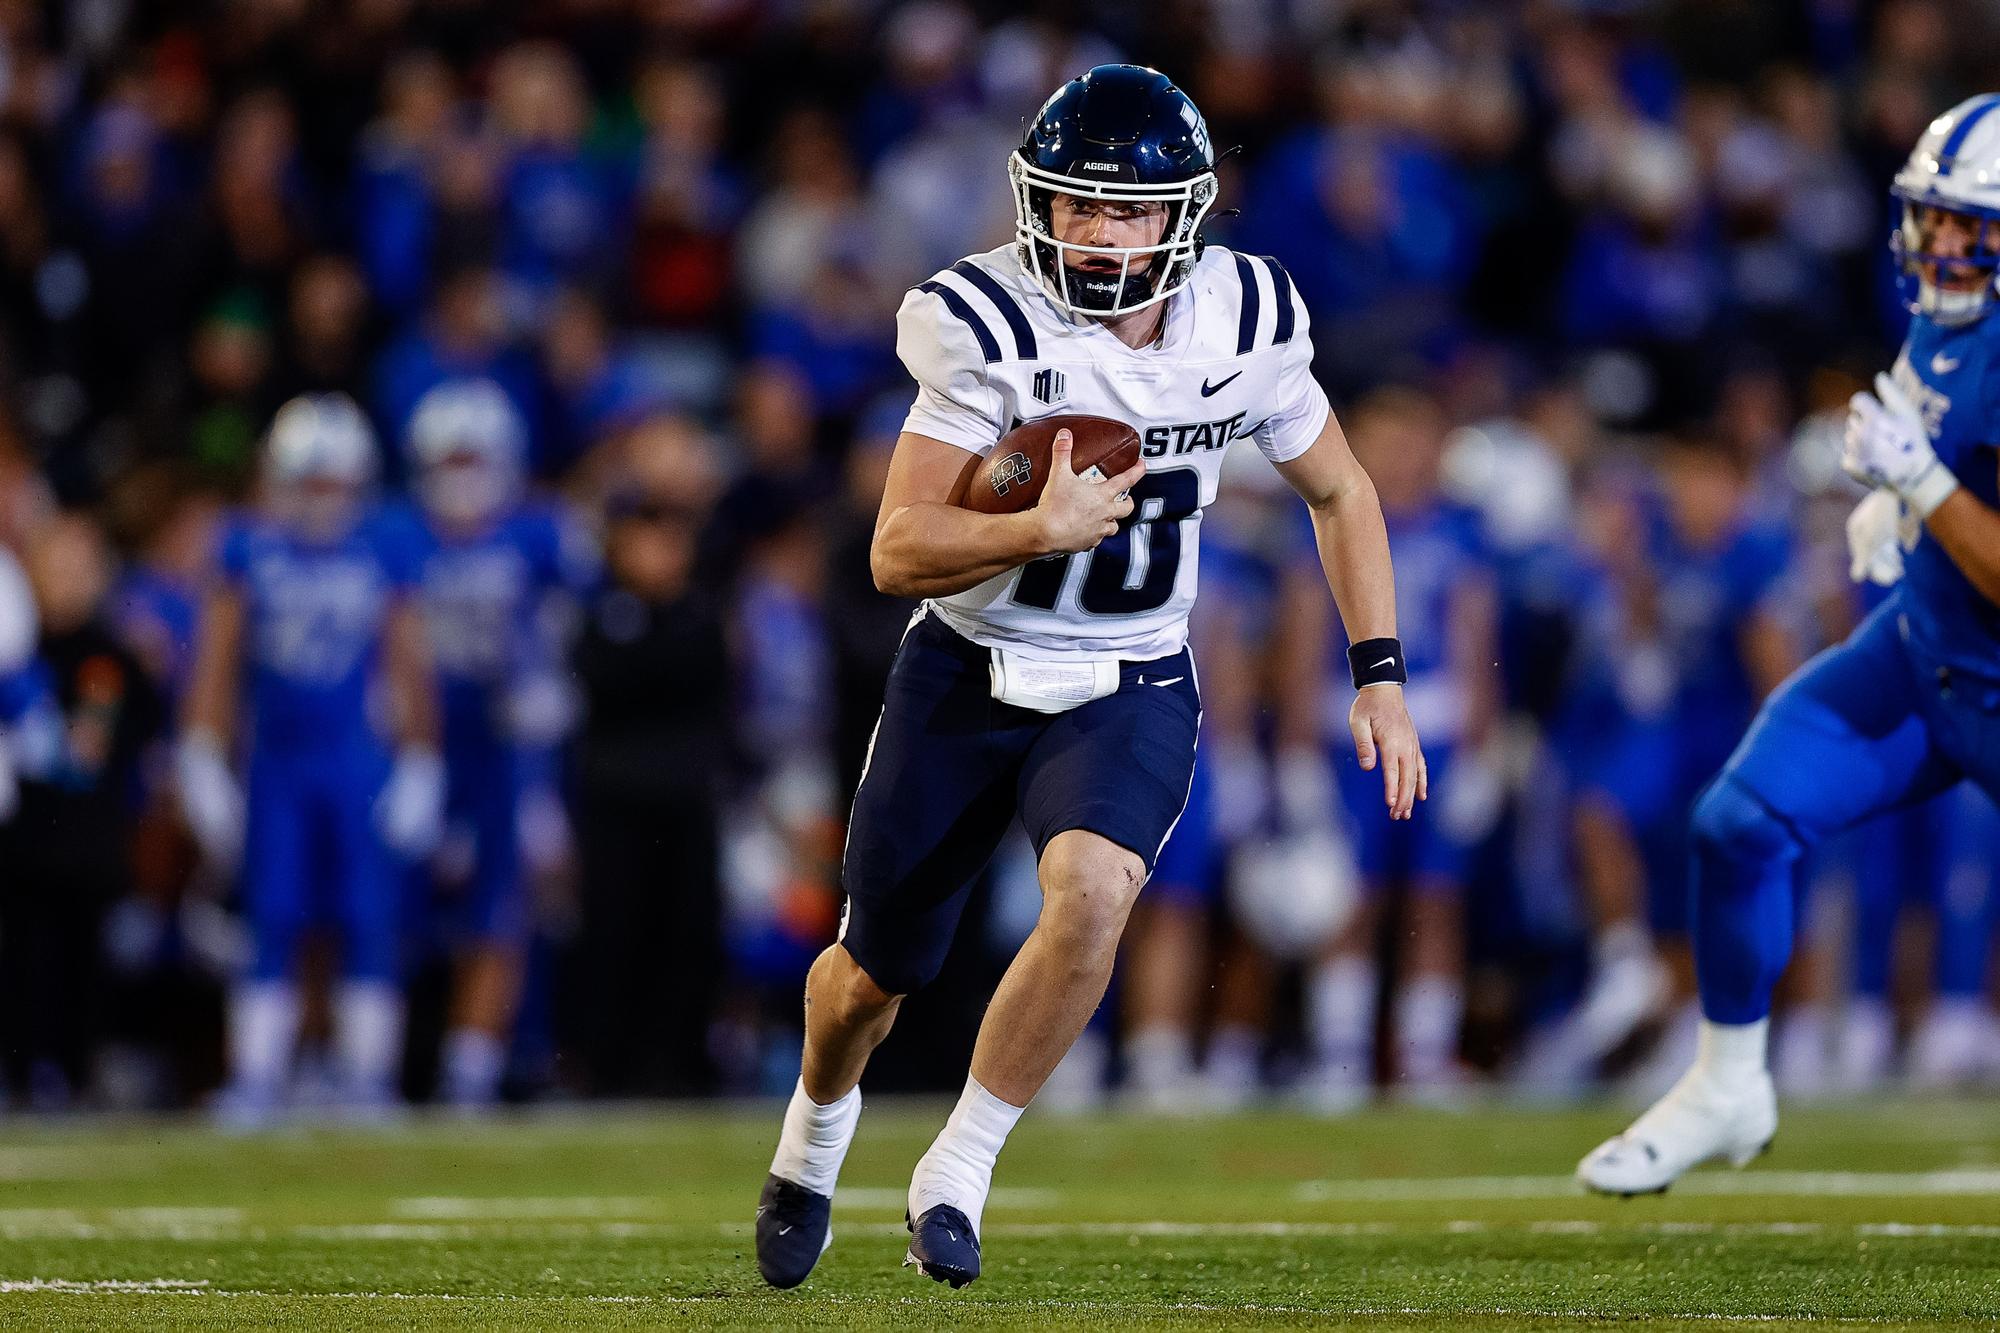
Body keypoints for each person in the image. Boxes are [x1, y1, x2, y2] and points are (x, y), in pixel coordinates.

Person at [753, 64, 1425, 1290]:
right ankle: (812, 1135)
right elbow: (894, 547)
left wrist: (1376, 671)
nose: (1097, 232)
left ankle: (957, 1167)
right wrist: (1028, 529)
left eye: (1125, 210)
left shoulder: (1245, 321)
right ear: (1034, 206)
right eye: (1074, 206)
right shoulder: (984, 322)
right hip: (966, 667)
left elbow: (1340, 489)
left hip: (1127, 670)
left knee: (1094, 893)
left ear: (1185, 213)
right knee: (868, 977)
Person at [1578, 94, 2000, 1193]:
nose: (1942, 246)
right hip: (1924, 655)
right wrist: (1900, 507)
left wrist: (1924, 483)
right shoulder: (1946, 317)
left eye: (1971, 226)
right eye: (1934, 219)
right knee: (1736, 823)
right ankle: (1726, 1084)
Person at [177, 394, 442, 1126]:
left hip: (356, 757)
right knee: (275, 912)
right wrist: (200, 749)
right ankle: (259, 1074)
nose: (325, 498)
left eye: (336, 483)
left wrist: (423, 755)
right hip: (279, 761)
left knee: (367, 912)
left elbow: (407, 655)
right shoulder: (248, 546)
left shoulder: (384, 544)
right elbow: (217, 658)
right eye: (312, 482)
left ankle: (365, 1074)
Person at [393, 379, 593, 1110]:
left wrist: (554, 690)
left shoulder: (540, 531)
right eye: (450, 463)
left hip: (508, 746)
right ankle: (370, 1062)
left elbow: (582, 624)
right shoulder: (396, 534)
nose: (464, 481)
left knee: (504, 904)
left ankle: (473, 1070)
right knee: (392, 902)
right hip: (418, 743)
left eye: (476, 461)